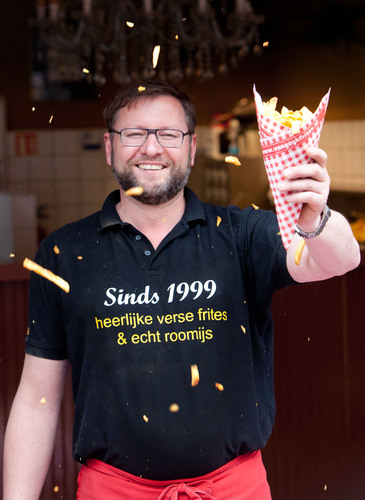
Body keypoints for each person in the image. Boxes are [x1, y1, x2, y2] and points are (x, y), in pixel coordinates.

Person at [3, 80, 360, 500]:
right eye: (134, 133)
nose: (151, 148)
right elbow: (35, 402)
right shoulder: (64, 253)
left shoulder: (241, 233)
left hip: (232, 490)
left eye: (168, 134)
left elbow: (339, 261)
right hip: (112, 492)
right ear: (108, 147)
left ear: (191, 147)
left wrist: (316, 215)